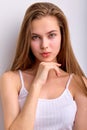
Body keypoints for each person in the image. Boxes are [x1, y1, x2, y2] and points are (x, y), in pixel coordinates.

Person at [0, 2, 87, 130]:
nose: (44, 45)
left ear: (62, 36)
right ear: (27, 40)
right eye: (35, 37)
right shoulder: (11, 80)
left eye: (51, 35)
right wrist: (37, 84)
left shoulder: (79, 83)